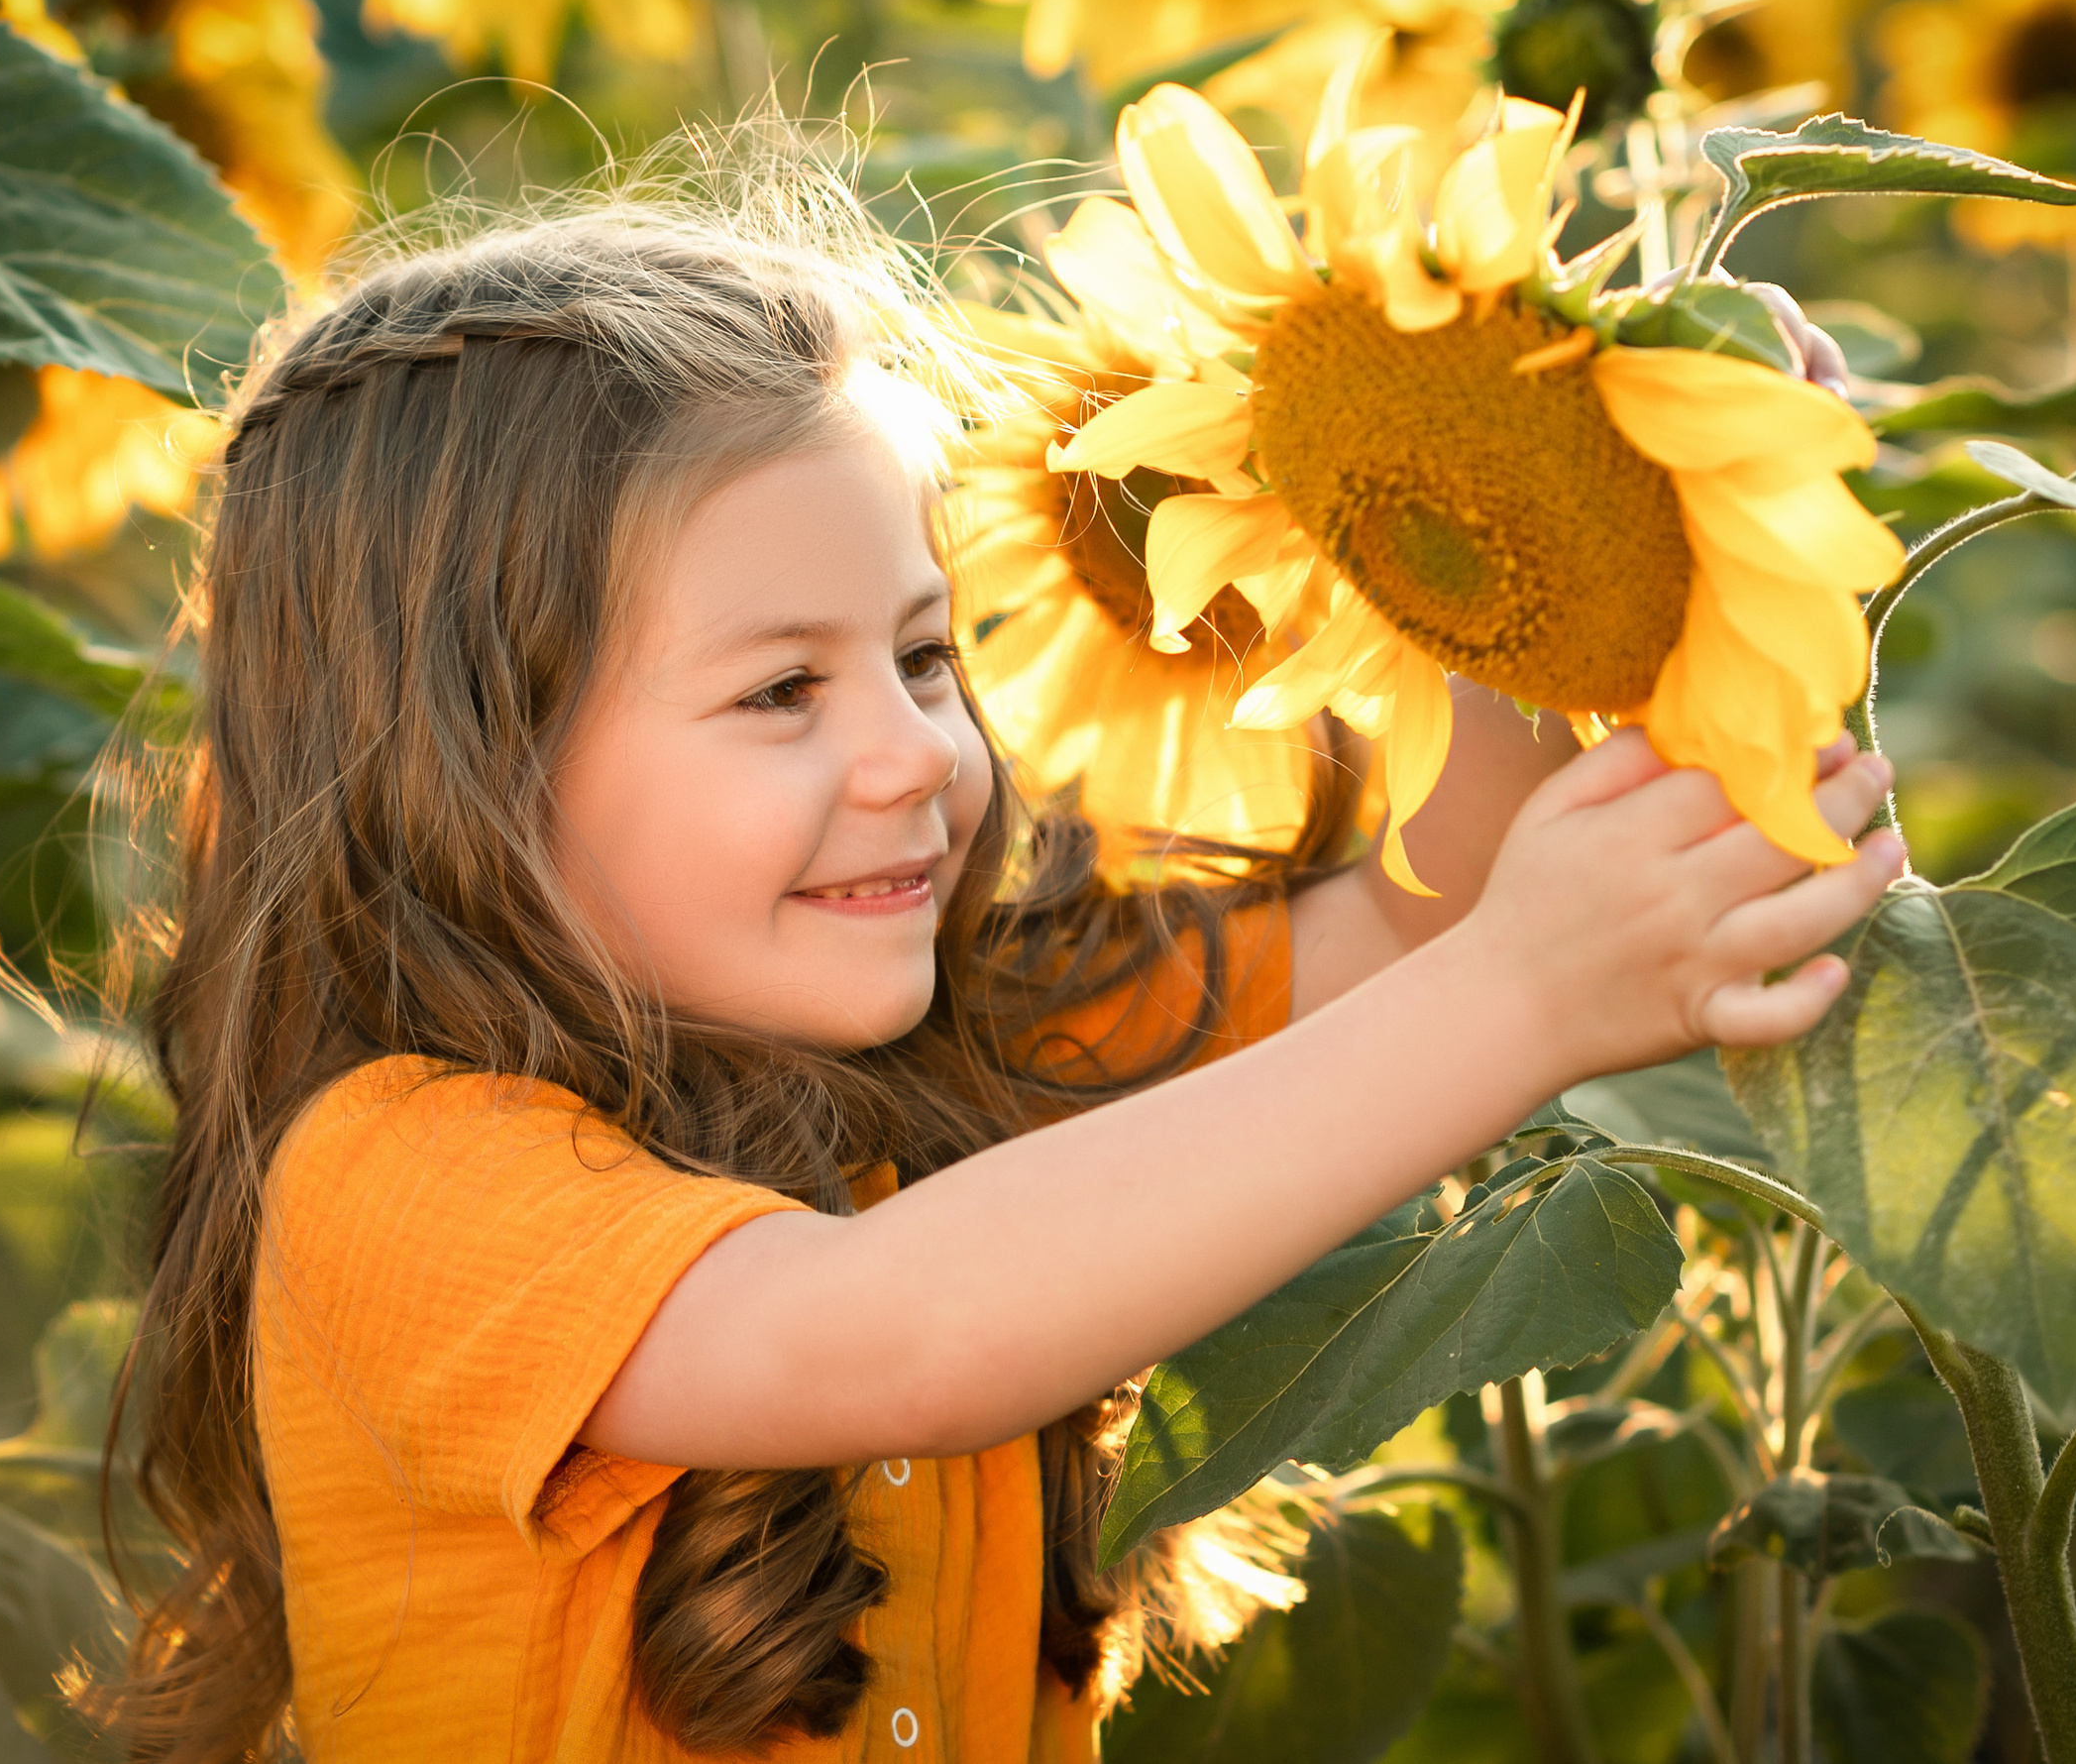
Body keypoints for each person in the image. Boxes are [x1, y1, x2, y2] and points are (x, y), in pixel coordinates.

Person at [99, 178, 1903, 1764]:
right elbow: (892, 1335)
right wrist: (1530, 995)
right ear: (463, 764)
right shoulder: (392, 1179)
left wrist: (1584, 487)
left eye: (924, 655)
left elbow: (1436, 910)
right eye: (783, 691)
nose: (915, 757)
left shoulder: (979, 1044)